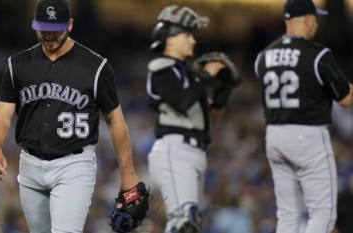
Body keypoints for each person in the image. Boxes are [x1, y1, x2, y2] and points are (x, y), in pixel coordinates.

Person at [0, 0, 143, 232]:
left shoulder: (96, 67)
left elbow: (115, 120)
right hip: (30, 165)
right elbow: (1, 116)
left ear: (69, 25)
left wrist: (128, 174)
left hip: (74, 165)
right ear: (34, 25)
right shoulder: (17, 65)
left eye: (55, 30)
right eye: (43, 30)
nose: (49, 36)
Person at [254, 0, 353, 233]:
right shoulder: (318, 55)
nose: (317, 23)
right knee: (324, 213)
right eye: (315, 18)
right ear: (307, 19)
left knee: (288, 213)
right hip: (307, 135)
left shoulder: (264, 56)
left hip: (275, 136)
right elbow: (346, 100)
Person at [146, 5, 239, 233]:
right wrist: (205, 75)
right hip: (174, 150)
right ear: (169, 39)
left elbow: (206, 123)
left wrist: (220, 97)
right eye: (186, 34)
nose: (193, 41)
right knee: (183, 222)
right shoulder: (161, 69)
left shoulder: (188, 74)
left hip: (193, 152)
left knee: (190, 225)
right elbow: (181, 100)